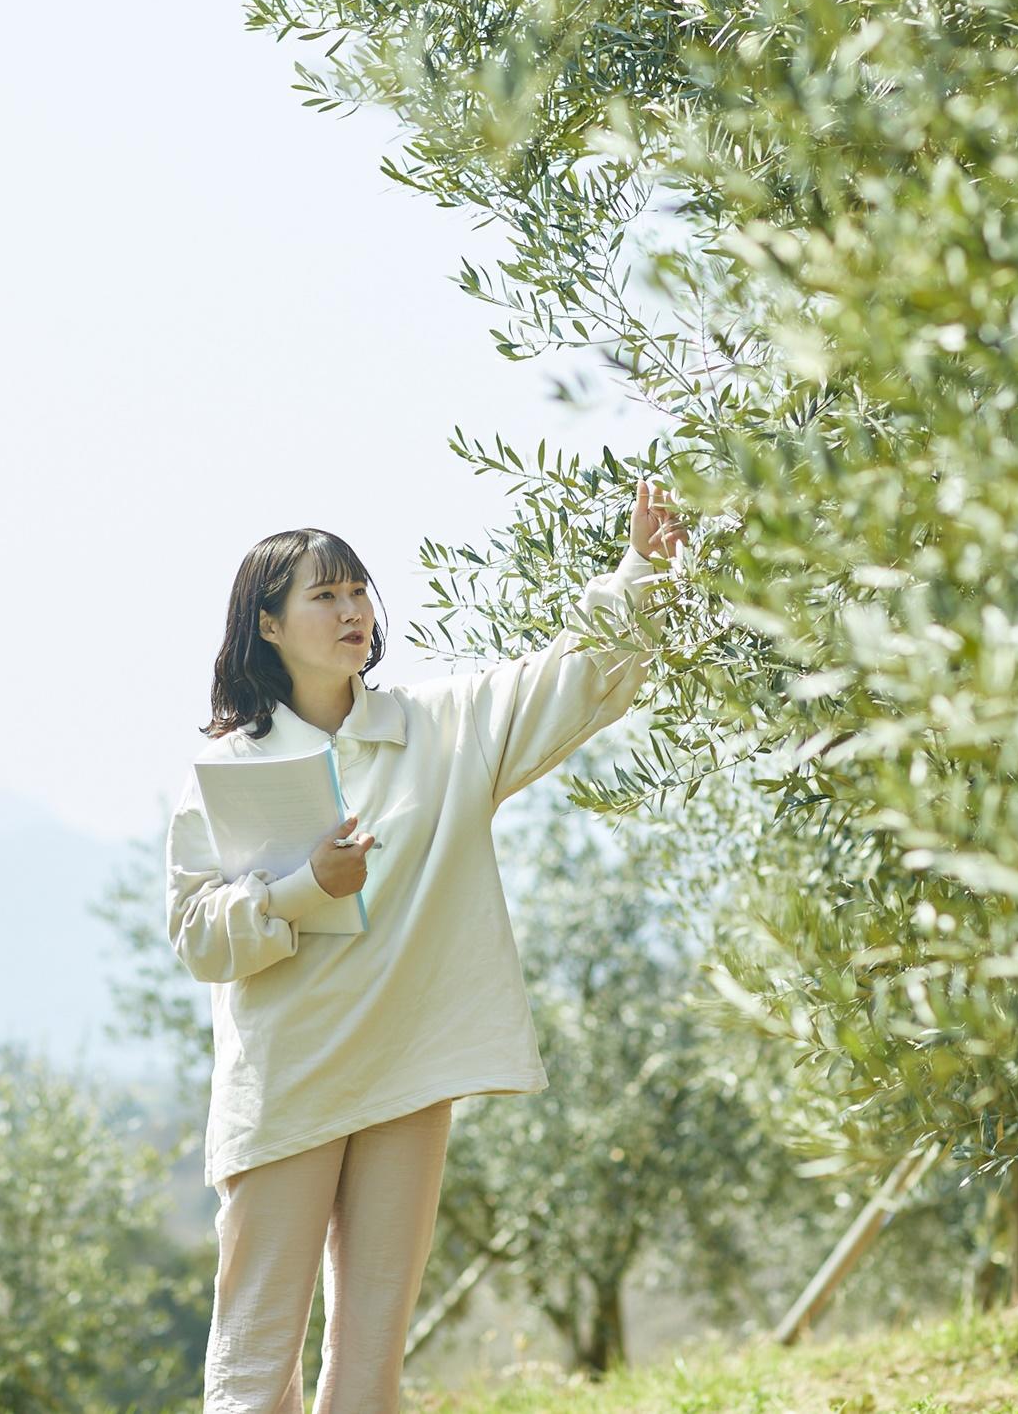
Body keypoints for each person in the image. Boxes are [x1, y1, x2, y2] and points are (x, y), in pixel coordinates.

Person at [168, 483, 686, 1412]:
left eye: (358, 590)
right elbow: (198, 936)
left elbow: (571, 678)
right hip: (286, 1086)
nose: (353, 610)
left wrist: (640, 568)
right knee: (252, 1373)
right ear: (268, 625)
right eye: (325, 595)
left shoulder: (440, 727)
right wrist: (304, 887)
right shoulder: (227, 769)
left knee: (370, 1370)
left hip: (406, 1078)